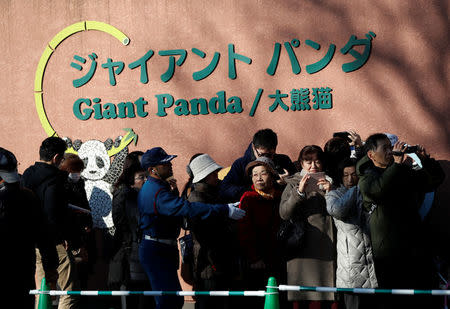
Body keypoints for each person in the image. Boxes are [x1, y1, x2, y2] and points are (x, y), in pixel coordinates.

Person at [137, 147, 246, 309]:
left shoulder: (160, 187)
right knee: (168, 301)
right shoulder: (155, 191)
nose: (171, 165)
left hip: (162, 248)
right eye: (165, 164)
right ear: (152, 170)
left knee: (173, 300)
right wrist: (225, 210)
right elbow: (187, 208)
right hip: (156, 250)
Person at [356, 133, 445, 309]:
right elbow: (377, 191)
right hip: (388, 252)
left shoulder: (403, 171)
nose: (391, 151)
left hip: (415, 248)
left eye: (392, 147)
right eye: (385, 148)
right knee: (395, 301)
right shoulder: (367, 177)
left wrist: (426, 161)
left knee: (421, 298)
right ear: (371, 154)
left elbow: (433, 181)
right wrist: (396, 165)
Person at [22, 137, 79, 309]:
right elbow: (51, 212)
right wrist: (63, 236)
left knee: (41, 291)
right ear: (56, 158)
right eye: (62, 159)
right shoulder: (55, 180)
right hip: (53, 242)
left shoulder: (27, 174)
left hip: (32, 240)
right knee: (69, 291)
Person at [279, 145, 337, 309]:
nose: (313, 166)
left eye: (317, 162)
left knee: (327, 295)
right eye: (308, 162)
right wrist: (299, 193)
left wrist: (330, 192)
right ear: (301, 163)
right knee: (304, 295)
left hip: (328, 245)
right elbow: (284, 213)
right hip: (303, 247)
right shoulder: (292, 183)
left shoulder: (332, 182)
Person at [0, 147, 58, 308]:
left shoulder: (25, 197)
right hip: (23, 272)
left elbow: (44, 236)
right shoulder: (27, 196)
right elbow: (45, 237)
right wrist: (50, 268)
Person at [184, 153, 236, 309]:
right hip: (208, 262)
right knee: (209, 302)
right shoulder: (197, 197)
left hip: (217, 260)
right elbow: (204, 234)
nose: (216, 175)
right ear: (204, 175)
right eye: (213, 173)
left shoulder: (214, 192)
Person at [325, 158, 377, 309]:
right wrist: (358, 188)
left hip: (374, 260)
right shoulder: (334, 194)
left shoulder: (368, 191)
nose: (350, 179)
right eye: (345, 175)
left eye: (354, 175)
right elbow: (338, 210)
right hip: (352, 263)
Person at [238, 156, 284, 308]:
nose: (258, 178)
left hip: (278, 257)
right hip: (257, 261)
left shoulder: (280, 196)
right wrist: (254, 258)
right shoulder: (248, 198)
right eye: (254, 174)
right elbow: (244, 231)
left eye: (263, 173)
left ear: (272, 175)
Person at [110, 151, 154, 309]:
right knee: (134, 292)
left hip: (139, 248)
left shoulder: (143, 194)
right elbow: (120, 221)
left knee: (144, 292)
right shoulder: (124, 193)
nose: (145, 179)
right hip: (129, 249)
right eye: (141, 176)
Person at [220, 128, 296, 202]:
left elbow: (298, 185)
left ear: (275, 149)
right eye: (261, 155)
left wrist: (288, 181)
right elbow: (225, 189)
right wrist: (255, 190)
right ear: (253, 147)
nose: (265, 159)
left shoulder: (283, 160)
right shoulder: (241, 164)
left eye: (269, 155)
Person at [59, 153, 93, 292]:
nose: (77, 174)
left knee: (82, 272)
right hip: (68, 235)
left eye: (79, 171)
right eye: (74, 171)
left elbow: (85, 205)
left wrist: (88, 222)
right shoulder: (61, 185)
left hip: (81, 234)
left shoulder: (79, 183)